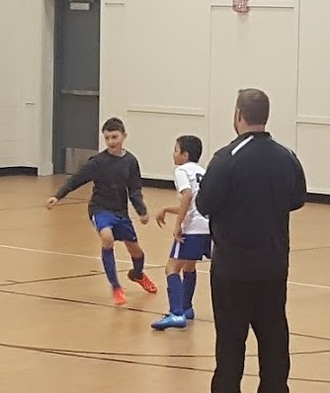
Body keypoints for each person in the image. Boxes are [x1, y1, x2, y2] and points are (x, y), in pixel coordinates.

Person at [194, 89, 306, 393]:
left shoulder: (227, 158)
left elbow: (205, 204)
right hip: (273, 262)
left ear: (239, 116)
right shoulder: (286, 156)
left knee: (231, 334)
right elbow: (297, 197)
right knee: (273, 330)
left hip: (233, 264)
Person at [47, 117, 158, 306]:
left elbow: (134, 189)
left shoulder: (130, 161)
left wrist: (141, 210)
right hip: (100, 208)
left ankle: (138, 275)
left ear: (124, 136)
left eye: (114, 137)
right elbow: (76, 179)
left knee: (136, 251)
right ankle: (116, 287)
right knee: (106, 237)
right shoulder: (98, 162)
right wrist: (58, 195)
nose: (111, 142)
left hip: (120, 212)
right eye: (107, 138)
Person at [151, 135, 210, 331]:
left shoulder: (182, 171)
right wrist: (168, 209)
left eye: (175, 150)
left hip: (192, 229)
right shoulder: (203, 172)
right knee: (189, 266)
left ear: (185, 155)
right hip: (207, 227)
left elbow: (187, 195)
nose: (173, 154)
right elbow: (194, 203)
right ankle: (187, 307)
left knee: (171, 268)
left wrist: (178, 225)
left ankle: (176, 313)